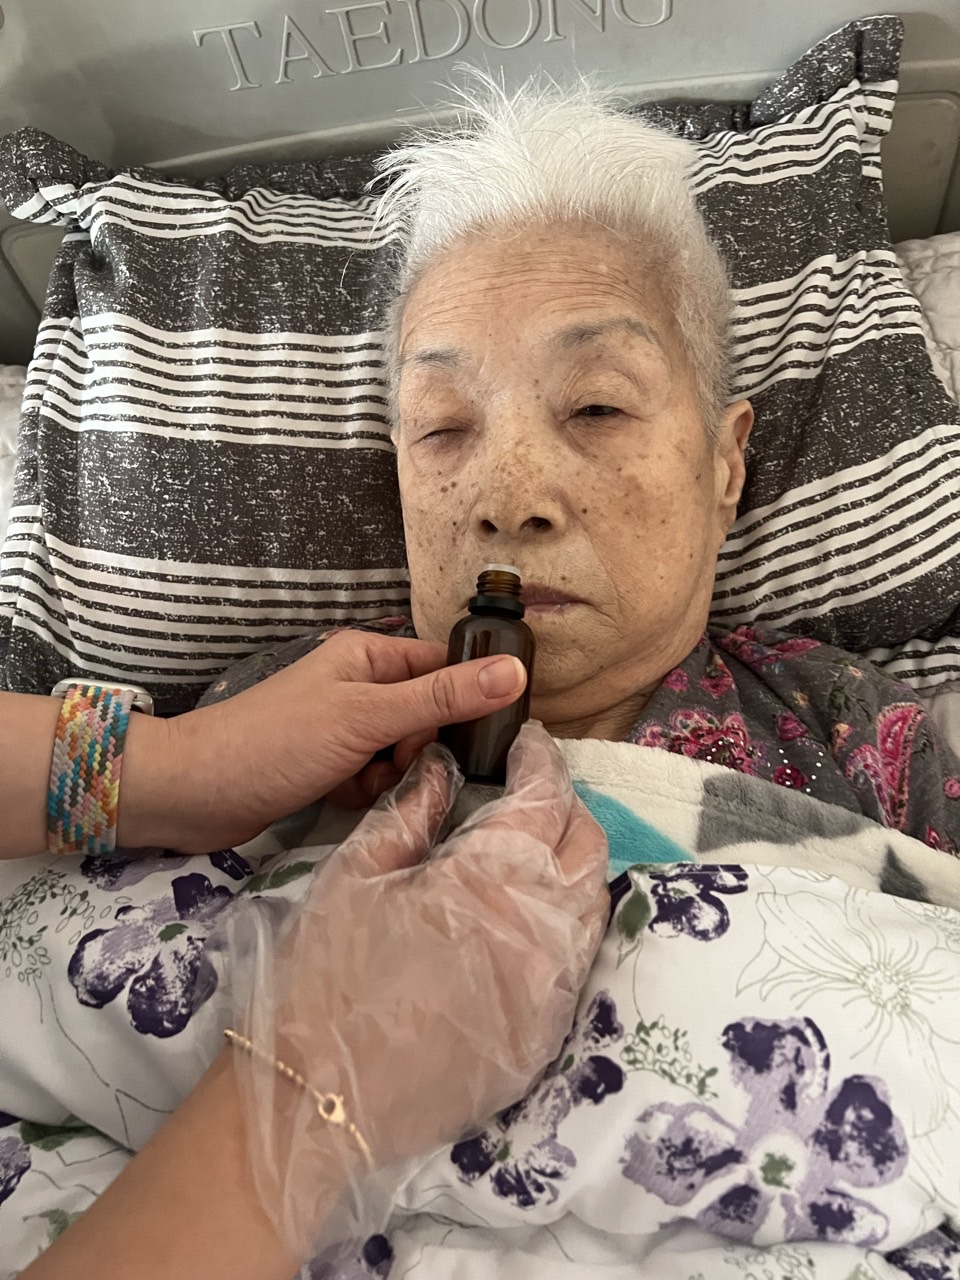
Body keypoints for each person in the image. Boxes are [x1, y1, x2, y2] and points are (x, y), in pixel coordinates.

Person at [5, 72, 960, 1276]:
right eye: (443, 426)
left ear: (726, 467)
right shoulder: (264, 715)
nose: (507, 495)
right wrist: (166, 766)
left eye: (598, 406)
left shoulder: (862, 739)